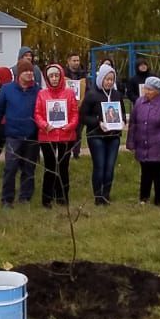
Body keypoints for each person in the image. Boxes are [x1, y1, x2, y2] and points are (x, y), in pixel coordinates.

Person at [126, 75, 160, 205]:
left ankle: (159, 200)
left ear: (158, 91)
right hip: (142, 143)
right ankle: (144, 197)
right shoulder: (139, 102)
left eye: (150, 90)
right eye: (145, 89)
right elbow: (133, 123)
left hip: (159, 145)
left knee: (159, 173)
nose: (147, 92)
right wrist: (131, 142)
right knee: (145, 172)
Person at [0, 56, 40, 207]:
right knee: (10, 168)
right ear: (19, 73)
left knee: (29, 168)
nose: (29, 74)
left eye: (31, 71)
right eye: (25, 71)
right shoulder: (7, 90)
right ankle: (7, 199)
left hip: (32, 136)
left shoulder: (37, 91)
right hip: (13, 136)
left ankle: (25, 197)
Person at [34, 63, 79, 207]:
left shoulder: (69, 93)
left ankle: (62, 197)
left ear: (61, 76)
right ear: (47, 78)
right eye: (51, 76)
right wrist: (45, 125)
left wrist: (70, 126)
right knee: (50, 168)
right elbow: (37, 114)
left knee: (64, 167)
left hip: (66, 136)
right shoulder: (42, 94)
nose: (54, 78)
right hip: (47, 136)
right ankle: (47, 199)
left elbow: (74, 113)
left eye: (56, 75)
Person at [80, 65, 125, 205]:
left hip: (113, 137)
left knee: (110, 166)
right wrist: (97, 122)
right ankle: (98, 196)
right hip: (96, 136)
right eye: (107, 79)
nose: (109, 82)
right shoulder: (92, 95)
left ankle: (106, 194)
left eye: (112, 79)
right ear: (101, 79)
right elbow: (83, 116)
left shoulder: (117, 95)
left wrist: (122, 121)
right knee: (100, 165)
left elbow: (122, 112)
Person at [65, 52, 87, 158]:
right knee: (68, 131)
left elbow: (88, 90)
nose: (76, 63)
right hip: (67, 107)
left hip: (80, 107)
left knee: (78, 132)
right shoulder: (64, 75)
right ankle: (66, 152)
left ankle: (76, 153)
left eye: (78, 60)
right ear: (68, 61)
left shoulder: (83, 75)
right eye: (74, 60)